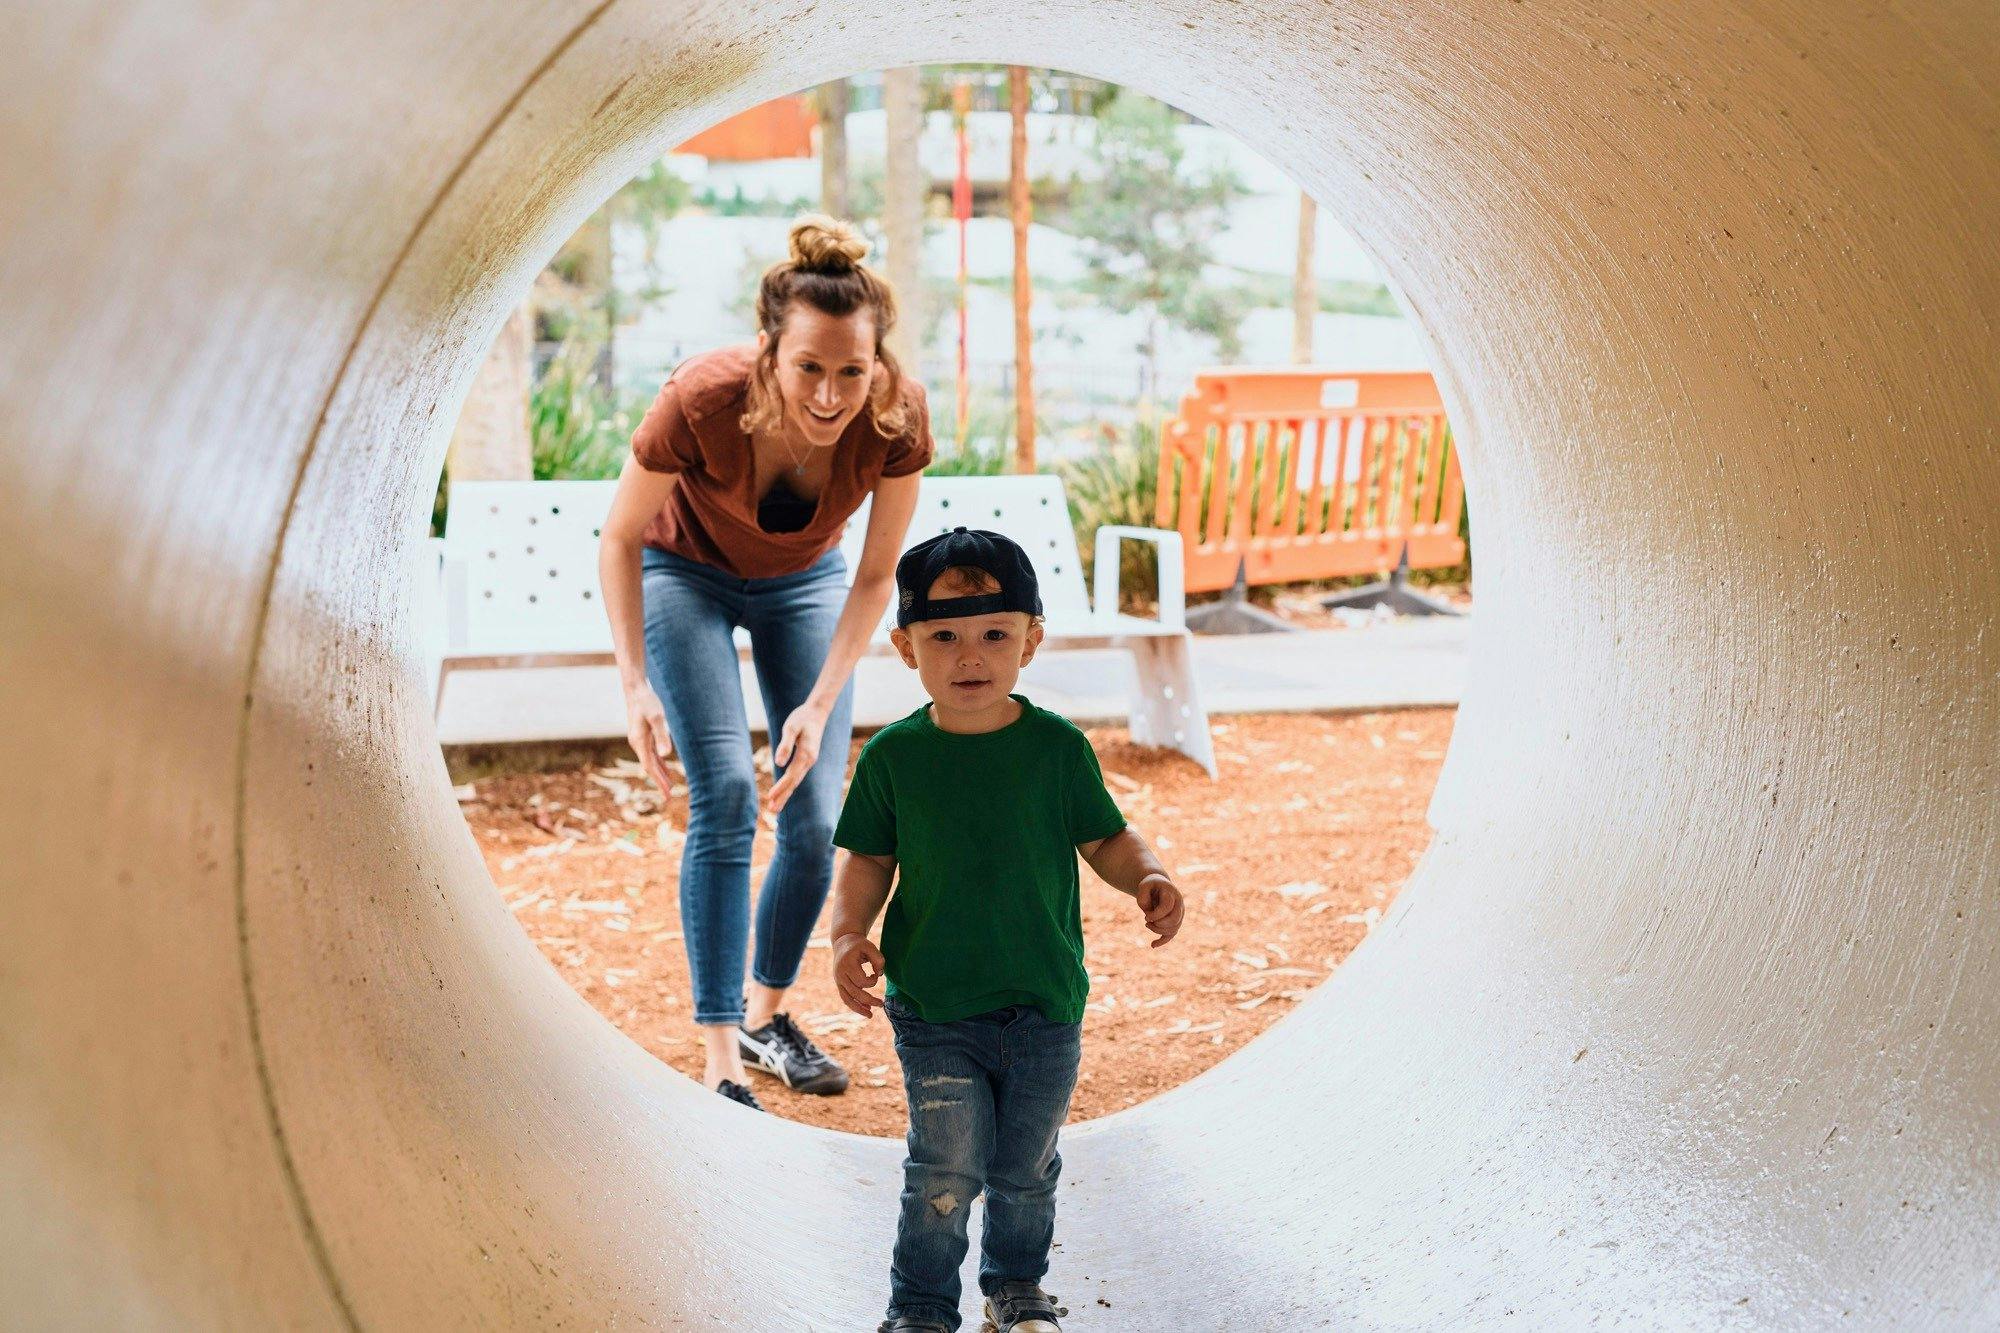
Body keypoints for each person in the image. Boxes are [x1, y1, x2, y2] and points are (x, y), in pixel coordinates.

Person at [597, 215, 932, 1112]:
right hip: (684, 574)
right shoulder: (702, 397)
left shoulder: (896, 417)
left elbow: (872, 576)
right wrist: (634, 683)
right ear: (767, 354)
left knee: (819, 808)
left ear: (878, 363)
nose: (830, 395)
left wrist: (820, 704)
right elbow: (623, 536)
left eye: (851, 371)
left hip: (805, 582)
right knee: (728, 795)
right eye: (809, 368)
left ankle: (765, 1014)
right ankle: (718, 1053)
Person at [827, 528, 1187, 1333]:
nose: (969, 656)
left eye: (994, 633)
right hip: (936, 1006)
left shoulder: (1057, 748)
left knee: (1026, 1168)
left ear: (1031, 640)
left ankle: (1014, 1287)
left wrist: (1150, 873)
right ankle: (919, 1307)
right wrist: (847, 935)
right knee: (943, 1166)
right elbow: (866, 859)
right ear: (905, 646)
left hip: (1044, 1006)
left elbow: (1107, 839)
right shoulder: (894, 757)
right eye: (943, 636)